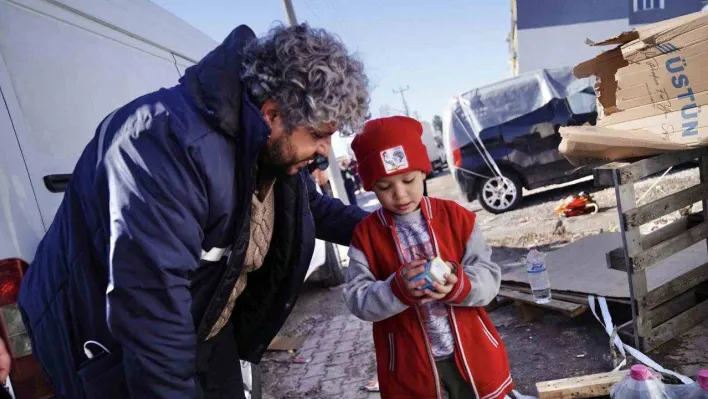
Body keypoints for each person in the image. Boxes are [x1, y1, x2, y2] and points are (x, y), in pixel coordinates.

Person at [15, 23, 369, 399]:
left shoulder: (264, 148)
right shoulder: (166, 146)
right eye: (318, 135)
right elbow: (152, 311)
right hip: (106, 345)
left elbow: (308, 207)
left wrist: (387, 226)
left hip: (203, 330)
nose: (327, 151)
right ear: (272, 115)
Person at [343, 116, 516, 399]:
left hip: (472, 357)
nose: (400, 194)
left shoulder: (457, 219)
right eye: (385, 187)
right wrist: (395, 290)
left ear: (424, 172)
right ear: (371, 187)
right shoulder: (366, 237)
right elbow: (356, 297)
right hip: (411, 369)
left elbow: (488, 275)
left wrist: (459, 283)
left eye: (408, 179)